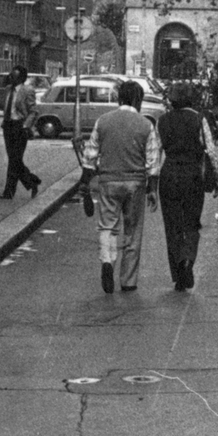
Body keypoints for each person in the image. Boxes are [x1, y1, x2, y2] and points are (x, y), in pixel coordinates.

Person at [84, 80, 160, 294]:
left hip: (108, 181)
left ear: (119, 98)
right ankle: (128, 280)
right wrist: (152, 189)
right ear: (138, 100)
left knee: (107, 225)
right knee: (133, 231)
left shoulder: (103, 121)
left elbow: (90, 156)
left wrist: (86, 181)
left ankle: (107, 261)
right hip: (135, 183)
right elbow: (153, 162)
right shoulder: (146, 124)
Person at [156, 83, 218, 292]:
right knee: (192, 224)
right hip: (193, 176)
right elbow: (210, 151)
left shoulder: (162, 121)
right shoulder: (199, 119)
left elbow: (155, 153)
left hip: (169, 175)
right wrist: (216, 179)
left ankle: (177, 271)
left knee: (172, 225)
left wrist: (151, 182)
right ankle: (188, 260)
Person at [0, 66, 41, 200]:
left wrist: (25, 126)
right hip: (8, 126)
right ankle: (32, 180)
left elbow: (33, 111)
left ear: (22, 78)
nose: (11, 78)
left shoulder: (27, 90)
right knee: (14, 159)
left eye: (14, 76)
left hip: (20, 126)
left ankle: (9, 192)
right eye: (11, 75)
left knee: (14, 160)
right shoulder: (7, 90)